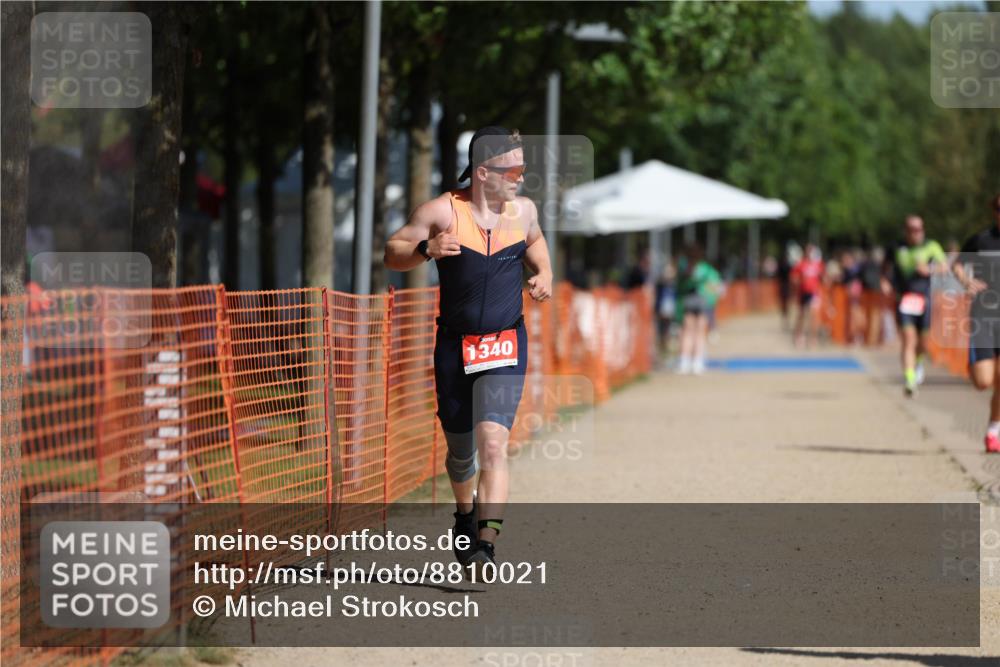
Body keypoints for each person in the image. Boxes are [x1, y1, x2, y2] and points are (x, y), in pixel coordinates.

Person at [383, 126, 553, 573]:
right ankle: (464, 514)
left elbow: (535, 241)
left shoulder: (524, 211)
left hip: (505, 343)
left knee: (494, 445)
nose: (520, 176)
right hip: (455, 348)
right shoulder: (442, 211)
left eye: (522, 168)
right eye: (512, 168)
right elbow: (392, 251)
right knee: (461, 452)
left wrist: (544, 273)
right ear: (483, 173)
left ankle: (485, 544)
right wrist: (426, 249)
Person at [951, 194, 1000, 452]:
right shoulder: (981, 240)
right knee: (983, 382)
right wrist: (966, 281)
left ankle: (993, 430)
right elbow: (957, 265)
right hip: (983, 316)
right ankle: (973, 363)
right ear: (995, 212)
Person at [882, 215, 948, 397]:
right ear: (906, 230)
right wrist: (885, 282)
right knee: (908, 339)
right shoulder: (896, 247)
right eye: (911, 229)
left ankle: (917, 362)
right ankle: (910, 380)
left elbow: (945, 266)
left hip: (925, 300)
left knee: (923, 344)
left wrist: (930, 270)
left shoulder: (931, 246)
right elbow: (885, 268)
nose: (915, 233)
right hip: (904, 299)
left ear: (923, 229)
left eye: (918, 229)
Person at [675, 243, 722, 375]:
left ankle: (685, 362)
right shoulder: (705, 268)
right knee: (699, 332)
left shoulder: (684, 267)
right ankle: (697, 362)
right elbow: (716, 284)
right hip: (702, 300)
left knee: (688, 331)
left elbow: (679, 284)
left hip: (688, 300)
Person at [791, 243, 825, 347]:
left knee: (814, 315)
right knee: (801, 315)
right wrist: (798, 282)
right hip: (803, 293)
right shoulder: (801, 264)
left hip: (814, 293)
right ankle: (798, 335)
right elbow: (793, 277)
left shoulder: (818, 264)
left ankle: (813, 337)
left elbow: (823, 277)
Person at [654, 259, 677, 362]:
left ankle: (668, 354)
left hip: (671, 313)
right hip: (661, 312)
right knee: (660, 334)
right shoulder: (660, 284)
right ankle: (661, 354)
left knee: (670, 334)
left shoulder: (674, 284)